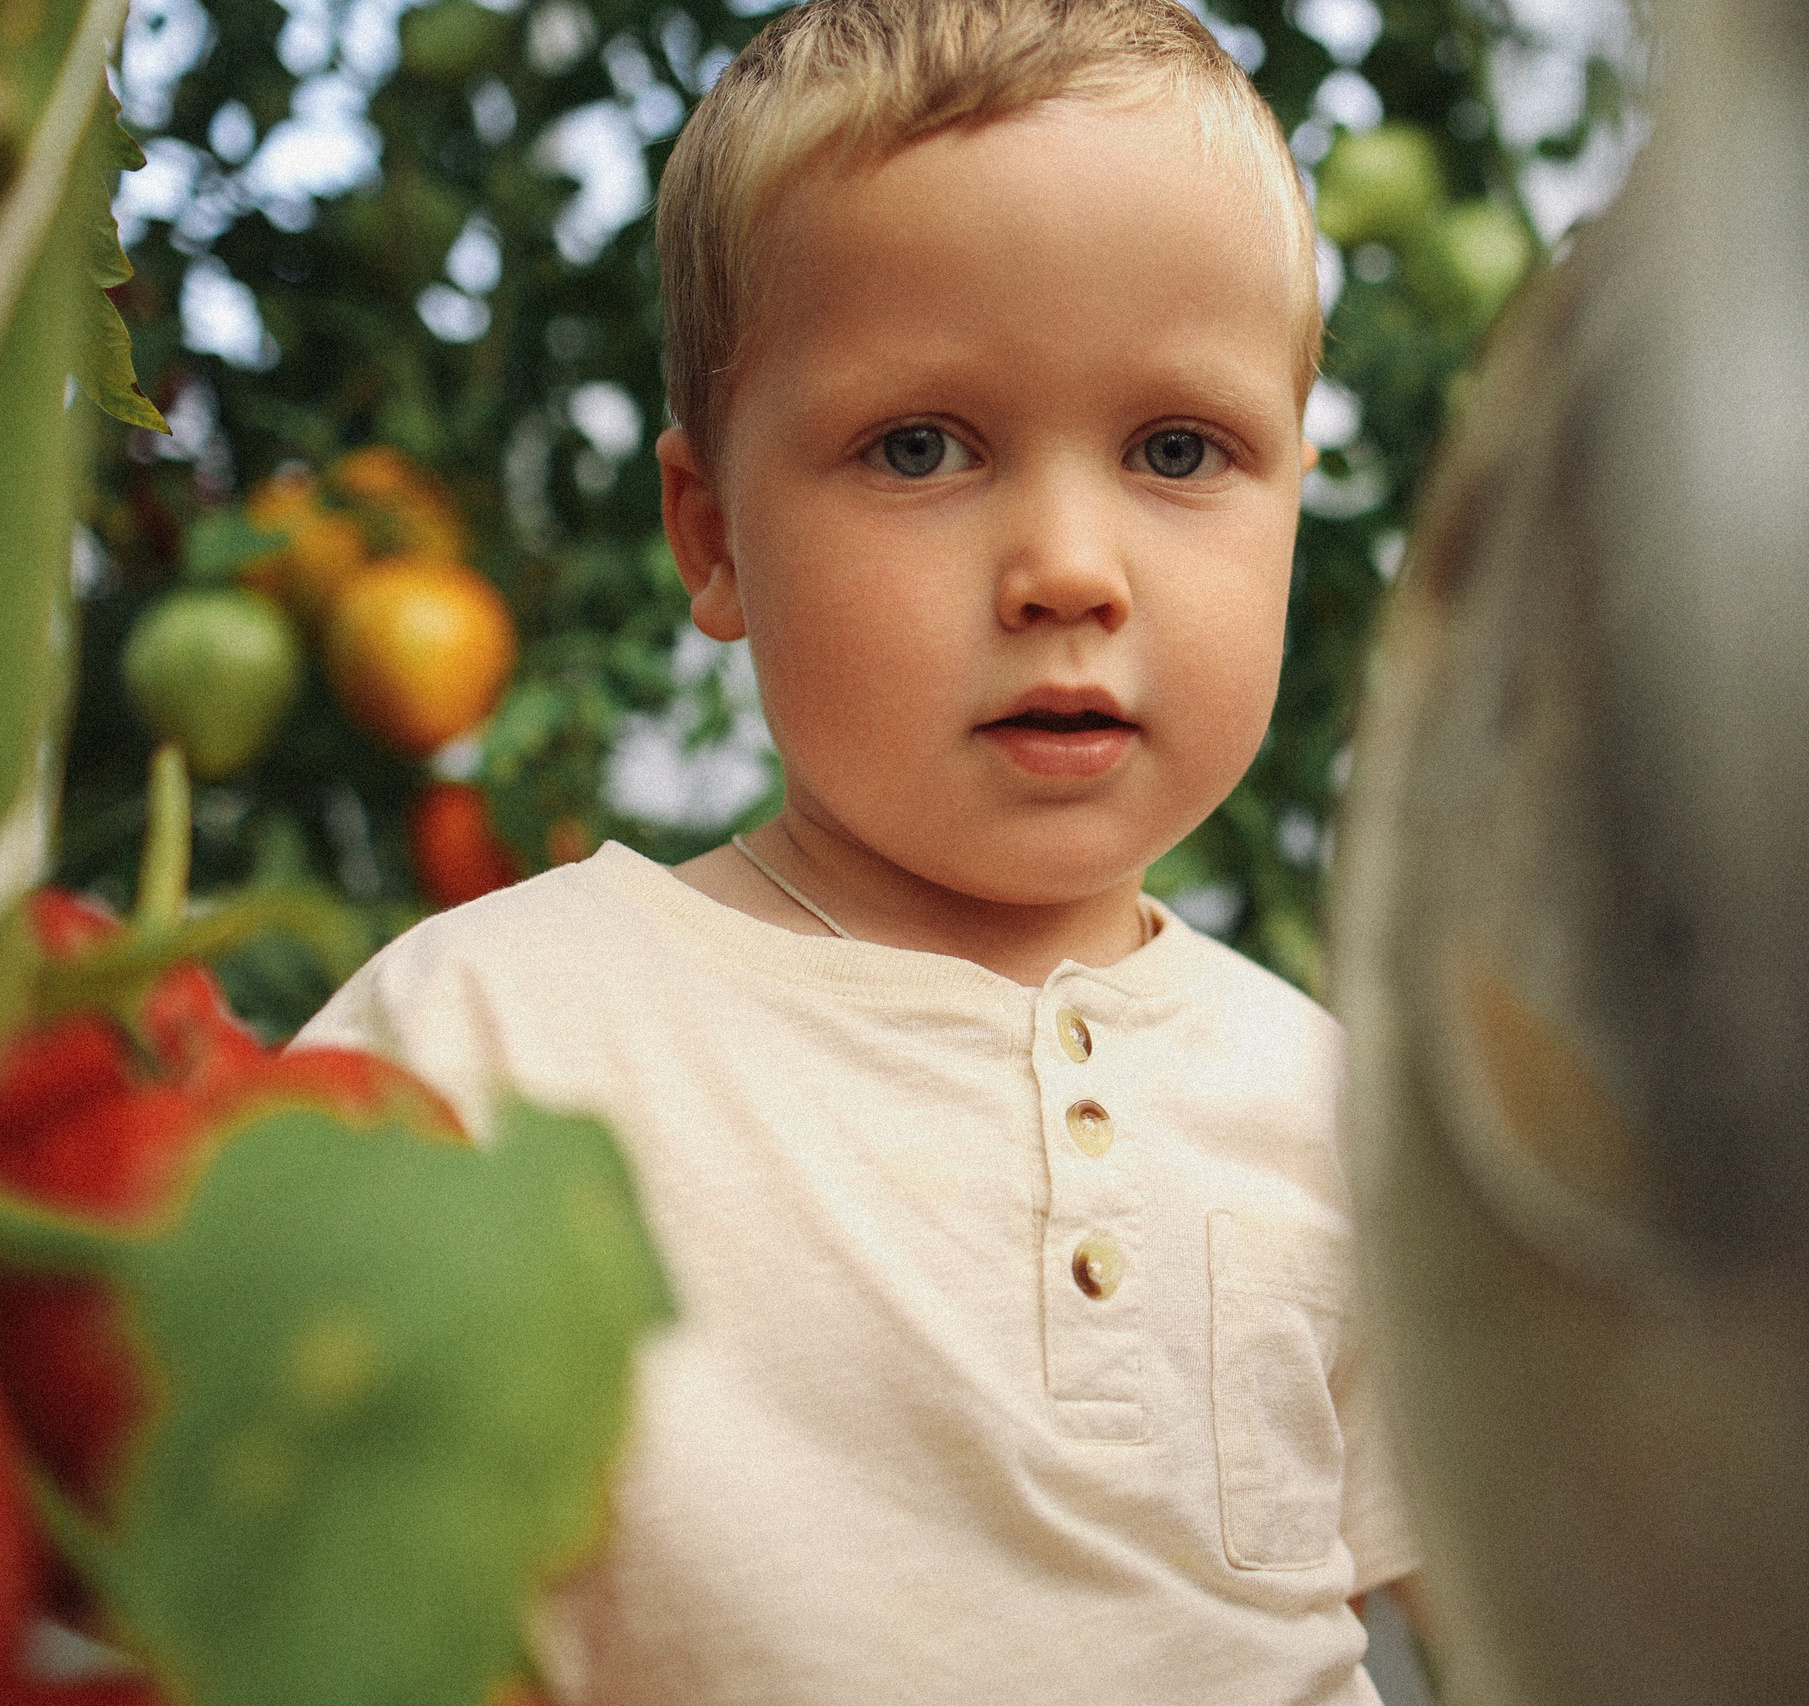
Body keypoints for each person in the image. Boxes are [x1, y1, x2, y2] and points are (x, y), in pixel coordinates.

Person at [294, 1, 1426, 1699]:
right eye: (921, 446)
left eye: (1176, 450)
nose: (1067, 567)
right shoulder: (483, 1040)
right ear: (715, 535)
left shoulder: (1343, 1118)